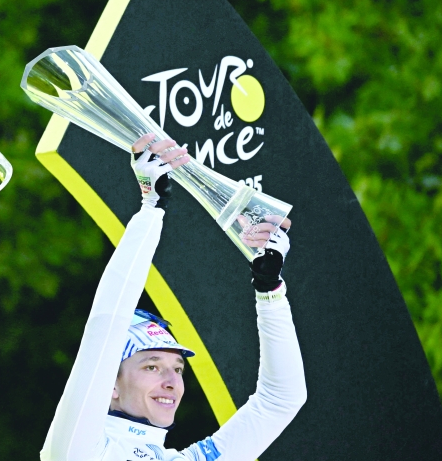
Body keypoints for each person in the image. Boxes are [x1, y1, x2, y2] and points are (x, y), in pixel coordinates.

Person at [41, 134, 307, 461]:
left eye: (178, 368)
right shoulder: (79, 452)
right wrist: (152, 208)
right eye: (152, 366)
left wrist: (269, 289)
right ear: (110, 383)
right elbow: (107, 324)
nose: (172, 382)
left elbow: (281, 400)